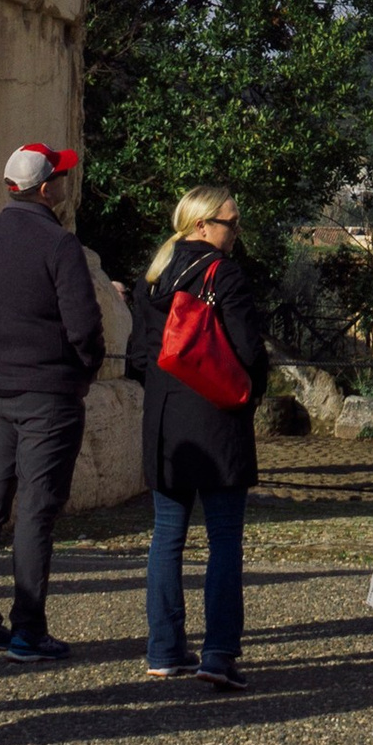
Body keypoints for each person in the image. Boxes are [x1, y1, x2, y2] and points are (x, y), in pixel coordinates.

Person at [0, 140, 104, 663]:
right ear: (45, 189)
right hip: (48, 392)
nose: (65, 183)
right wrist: (84, 368)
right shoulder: (59, 245)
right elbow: (83, 324)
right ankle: (29, 628)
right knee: (37, 508)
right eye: (60, 176)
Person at [128, 184, 268, 693]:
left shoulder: (153, 278)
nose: (237, 232)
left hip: (166, 423)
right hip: (216, 420)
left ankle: (164, 649)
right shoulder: (224, 275)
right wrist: (250, 395)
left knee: (167, 536)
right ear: (202, 225)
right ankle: (218, 652)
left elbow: (137, 358)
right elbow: (249, 351)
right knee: (224, 537)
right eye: (231, 222)